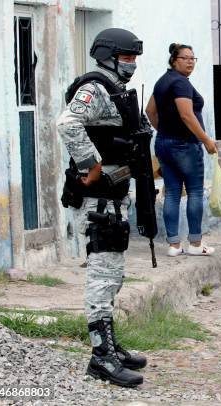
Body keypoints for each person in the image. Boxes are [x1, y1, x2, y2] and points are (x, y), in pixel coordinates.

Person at [57, 28, 147, 387]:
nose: (132, 64)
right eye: (127, 57)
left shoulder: (117, 89)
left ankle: (110, 345)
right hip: (98, 198)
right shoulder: (94, 87)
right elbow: (67, 123)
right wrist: (90, 164)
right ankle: (100, 357)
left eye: (134, 58)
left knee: (114, 274)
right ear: (108, 55)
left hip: (114, 194)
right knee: (102, 275)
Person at [146, 43, 218, 257]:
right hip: (185, 145)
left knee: (172, 192)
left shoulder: (162, 81)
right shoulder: (181, 84)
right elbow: (187, 115)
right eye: (185, 58)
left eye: (193, 58)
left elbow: (150, 111)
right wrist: (205, 140)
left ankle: (173, 245)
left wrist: (165, 131)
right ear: (174, 60)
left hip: (164, 144)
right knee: (195, 191)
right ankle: (195, 244)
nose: (190, 62)